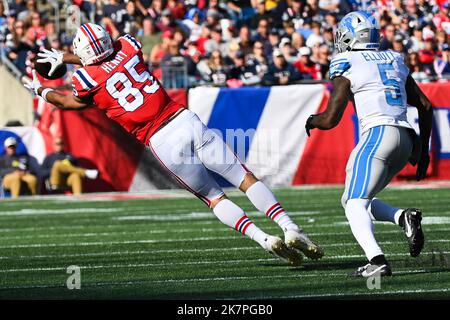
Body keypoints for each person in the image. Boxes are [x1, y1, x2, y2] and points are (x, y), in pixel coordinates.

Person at [24, 23, 323, 266]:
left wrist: (41, 89)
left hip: (161, 141)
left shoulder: (86, 80)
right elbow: (109, 55)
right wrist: (68, 57)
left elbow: (67, 100)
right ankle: (289, 226)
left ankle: (263, 239)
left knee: (214, 198)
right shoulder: (128, 46)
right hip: (184, 119)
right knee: (243, 178)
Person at [305, 11, 433, 277]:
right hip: (406, 139)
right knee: (353, 200)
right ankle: (402, 217)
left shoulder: (346, 60)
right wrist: (424, 152)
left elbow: (331, 119)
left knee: (354, 203)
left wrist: (312, 120)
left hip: (378, 135)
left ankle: (377, 261)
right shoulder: (393, 58)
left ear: (349, 38)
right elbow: (425, 105)